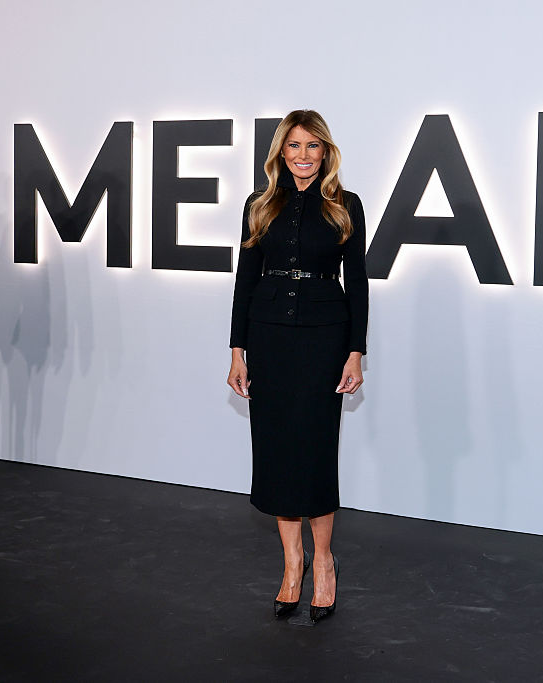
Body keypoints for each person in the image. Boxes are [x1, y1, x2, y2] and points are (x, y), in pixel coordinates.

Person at [226, 110, 368, 623]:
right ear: (280, 153)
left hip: (324, 339)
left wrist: (355, 351)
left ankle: (323, 562)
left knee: (314, 450)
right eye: (294, 146)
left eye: (312, 146)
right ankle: (293, 564)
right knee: (276, 451)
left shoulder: (345, 204)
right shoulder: (259, 204)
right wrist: (237, 350)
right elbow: (245, 279)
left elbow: (358, 282)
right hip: (268, 337)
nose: (303, 155)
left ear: (325, 152)